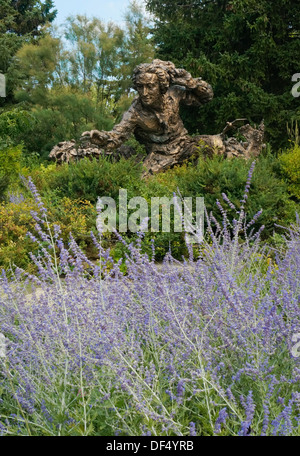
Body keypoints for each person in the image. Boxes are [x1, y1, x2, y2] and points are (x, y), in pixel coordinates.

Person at [81, 59, 214, 174]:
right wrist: (103, 139)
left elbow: (206, 97)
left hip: (184, 145)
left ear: (161, 85)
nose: (144, 93)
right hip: (158, 155)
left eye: (150, 86)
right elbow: (117, 136)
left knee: (214, 147)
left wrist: (189, 82)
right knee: (144, 181)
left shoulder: (174, 93)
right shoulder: (134, 112)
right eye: (140, 86)